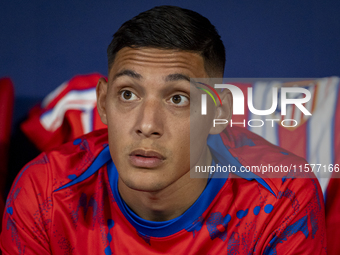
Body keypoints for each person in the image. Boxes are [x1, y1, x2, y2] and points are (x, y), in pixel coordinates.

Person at [0, 5, 326, 254]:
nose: (147, 125)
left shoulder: (282, 196)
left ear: (219, 112)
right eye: (128, 94)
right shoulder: (45, 192)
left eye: (178, 98)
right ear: (103, 101)